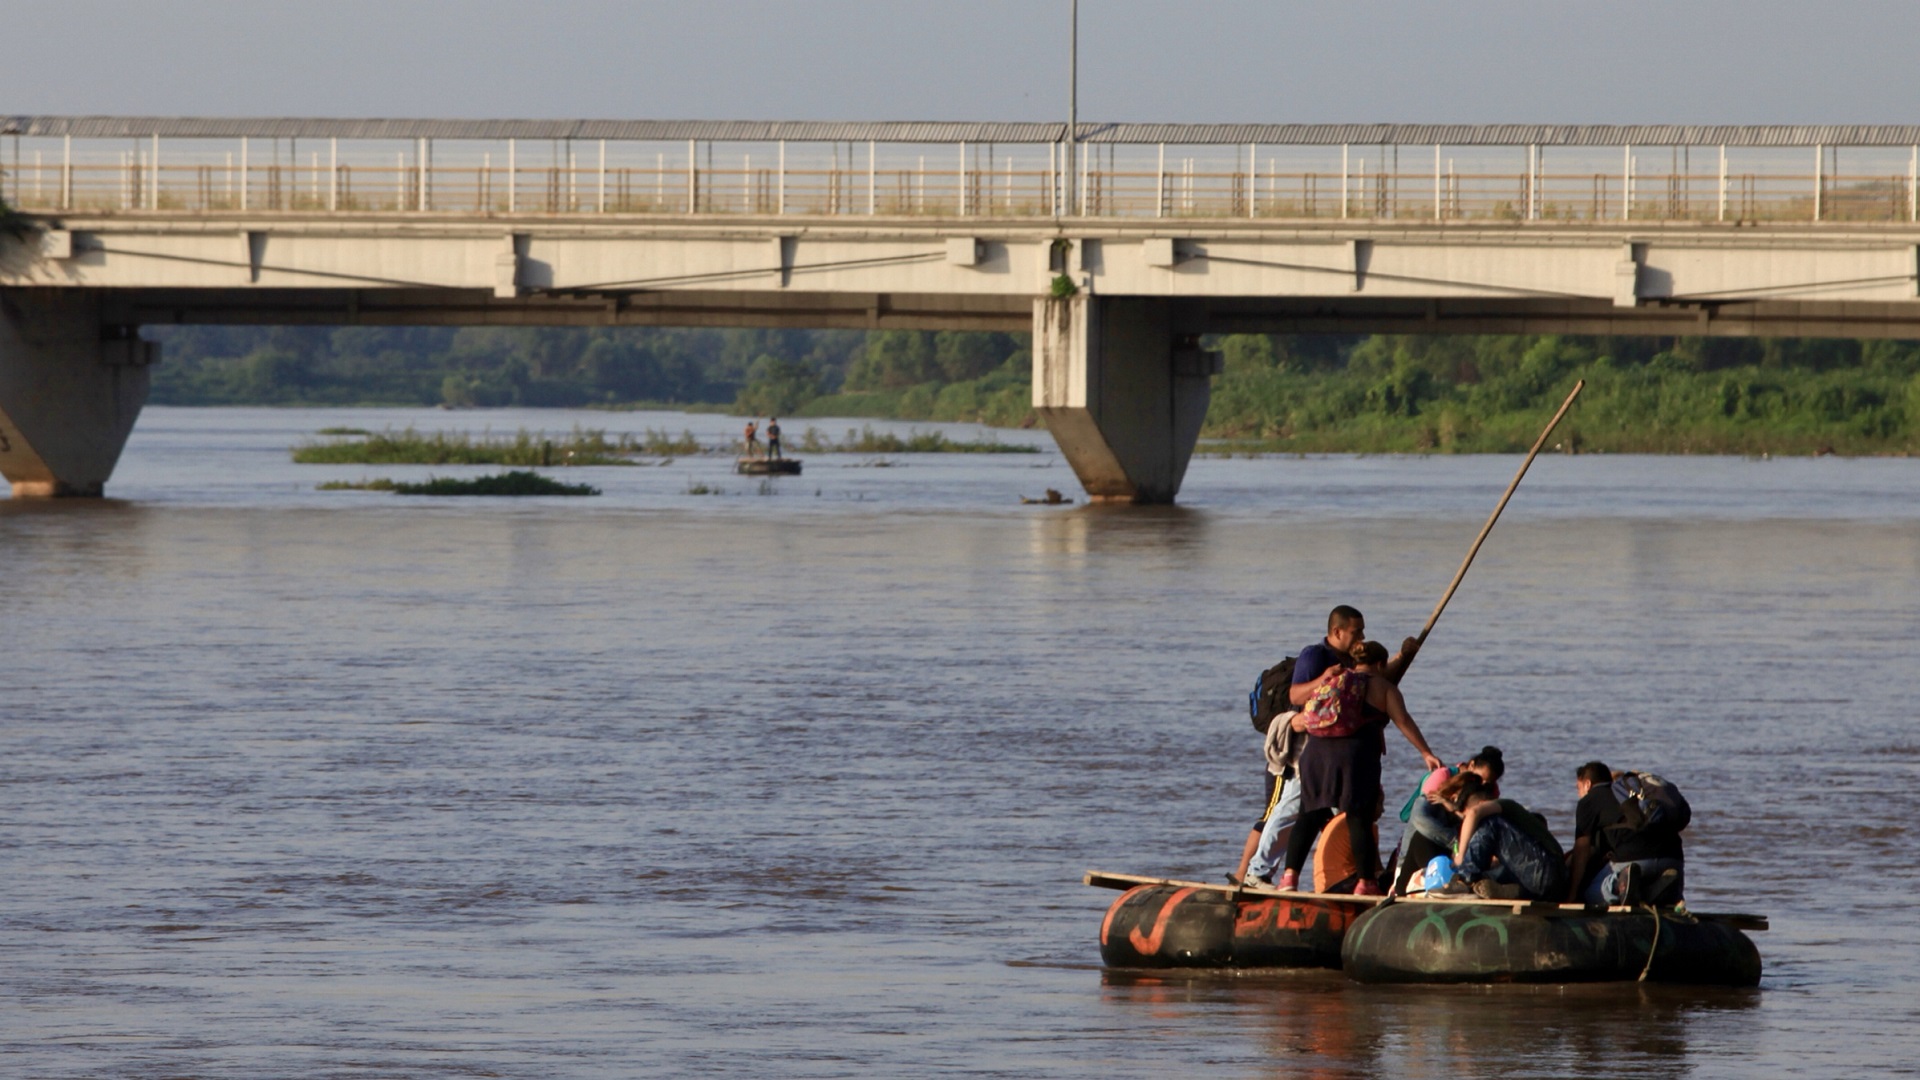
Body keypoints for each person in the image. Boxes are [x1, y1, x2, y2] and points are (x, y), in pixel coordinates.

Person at [1276, 634, 1444, 894]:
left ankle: (1289, 879)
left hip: (1315, 755)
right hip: (1354, 756)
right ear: (1379, 664)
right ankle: (1365, 883)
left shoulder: (1332, 679)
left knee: (1309, 814)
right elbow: (1403, 721)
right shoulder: (1383, 687)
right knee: (1358, 817)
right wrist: (1426, 752)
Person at [1390, 747, 1505, 894]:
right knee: (1422, 837)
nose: (1482, 784)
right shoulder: (1438, 786)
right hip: (1429, 849)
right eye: (1480, 779)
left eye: (1487, 783)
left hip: (1450, 851)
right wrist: (1456, 843)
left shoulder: (1485, 791)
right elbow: (1419, 820)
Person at [1568, 761, 1686, 905]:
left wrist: (1573, 894)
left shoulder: (1589, 801)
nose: (1578, 793)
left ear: (1587, 784)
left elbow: (1582, 850)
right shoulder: (1632, 795)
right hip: (1673, 859)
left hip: (1636, 863)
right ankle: (1657, 891)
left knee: (1590, 894)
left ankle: (1619, 884)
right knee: (1648, 885)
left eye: (1578, 788)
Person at [1435, 775, 1567, 901]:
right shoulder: (1514, 831)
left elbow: (1474, 813)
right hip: (1550, 884)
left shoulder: (1504, 806)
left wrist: (1460, 857)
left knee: (1490, 823)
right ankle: (1511, 891)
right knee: (1486, 875)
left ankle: (1464, 881)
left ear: (1482, 803)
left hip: (1547, 868)